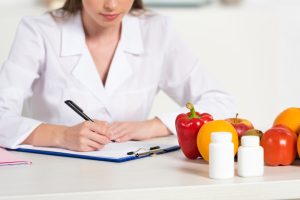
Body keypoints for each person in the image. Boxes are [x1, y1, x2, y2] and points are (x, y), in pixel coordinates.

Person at [0, 0, 235, 152]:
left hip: (131, 176)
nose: (111, 5)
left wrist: (154, 125)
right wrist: (62, 136)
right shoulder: (39, 31)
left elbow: (221, 103)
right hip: (53, 177)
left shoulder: (157, 30)